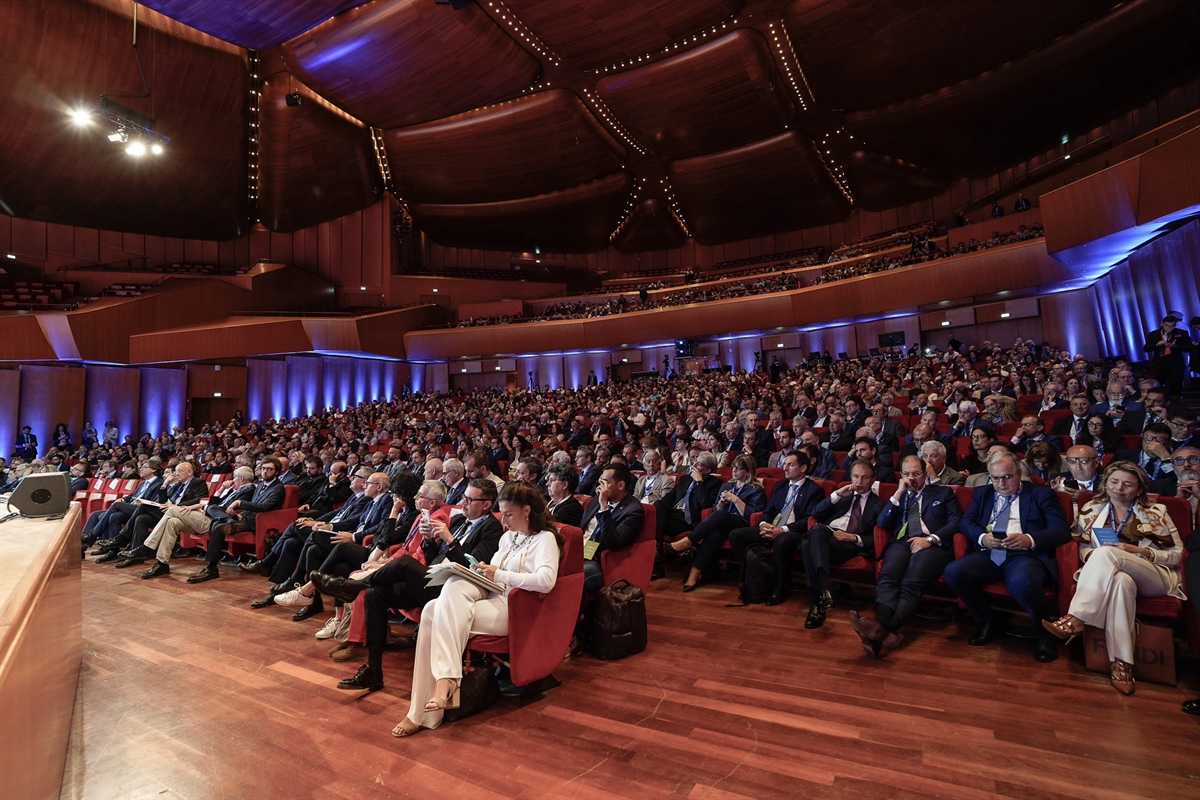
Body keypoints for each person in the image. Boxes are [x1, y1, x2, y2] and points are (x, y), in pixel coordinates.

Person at [389, 481, 561, 738]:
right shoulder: (507, 537)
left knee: (439, 610)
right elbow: (492, 577)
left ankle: (442, 687)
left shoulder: (544, 538)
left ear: (527, 510)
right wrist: (480, 572)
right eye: (502, 513)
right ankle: (429, 701)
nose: (504, 519)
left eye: (510, 514)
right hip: (491, 596)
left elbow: (547, 582)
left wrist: (500, 573)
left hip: (513, 609)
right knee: (433, 608)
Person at [315, 478, 503, 669]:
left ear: (487, 504)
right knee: (375, 593)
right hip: (430, 578)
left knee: (404, 563)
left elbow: (472, 568)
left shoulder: (491, 528)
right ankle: (372, 669)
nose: (462, 503)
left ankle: (351, 586)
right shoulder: (459, 520)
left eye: (469, 500)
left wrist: (450, 540)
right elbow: (432, 558)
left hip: (451, 588)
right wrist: (429, 541)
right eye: (463, 497)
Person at [1041, 462, 1185, 694]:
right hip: (1113, 575)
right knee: (1121, 582)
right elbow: (1082, 547)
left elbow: (1178, 556)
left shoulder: (1157, 512)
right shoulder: (1091, 509)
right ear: (1105, 484)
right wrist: (1094, 555)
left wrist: (1140, 552)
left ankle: (1076, 618)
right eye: (1114, 482)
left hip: (1154, 574)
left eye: (1128, 484)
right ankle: (1122, 665)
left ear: (1139, 489)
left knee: (1108, 552)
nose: (1119, 488)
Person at [945, 451, 1070, 662]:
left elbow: (1061, 530)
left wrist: (1028, 539)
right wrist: (983, 538)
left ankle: (1044, 633)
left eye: (1007, 477)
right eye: (995, 478)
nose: (1001, 483)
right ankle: (987, 621)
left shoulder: (1041, 494)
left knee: (1023, 582)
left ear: (1018, 474)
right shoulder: (982, 493)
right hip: (990, 552)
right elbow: (967, 523)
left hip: (1024, 554)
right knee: (954, 572)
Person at [849, 455, 962, 658]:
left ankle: (880, 630)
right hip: (902, 542)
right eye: (907, 474)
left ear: (925, 474)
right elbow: (883, 523)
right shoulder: (899, 496)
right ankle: (882, 632)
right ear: (901, 476)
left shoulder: (943, 493)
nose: (912, 478)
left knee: (910, 583)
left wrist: (931, 540)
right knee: (888, 577)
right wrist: (899, 492)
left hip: (933, 546)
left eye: (916, 474)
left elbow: (956, 522)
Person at [123, 466, 257, 578]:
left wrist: (201, 506)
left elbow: (226, 510)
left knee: (172, 511)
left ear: (241, 478)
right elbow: (213, 503)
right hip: (205, 515)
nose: (232, 480)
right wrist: (222, 489)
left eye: (234, 477)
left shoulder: (249, 490)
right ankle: (161, 564)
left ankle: (147, 547)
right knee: (172, 522)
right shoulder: (233, 490)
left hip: (214, 521)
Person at [728, 451, 824, 605]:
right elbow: (769, 510)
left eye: (790, 465)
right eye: (784, 464)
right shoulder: (780, 486)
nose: (784, 468)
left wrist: (783, 529)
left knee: (782, 541)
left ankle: (781, 588)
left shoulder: (814, 490)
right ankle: (756, 578)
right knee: (736, 535)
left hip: (793, 531)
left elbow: (808, 519)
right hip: (772, 526)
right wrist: (764, 524)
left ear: (803, 467)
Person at [801, 459, 883, 627]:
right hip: (827, 536)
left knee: (807, 544)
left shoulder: (879, 504)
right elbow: (815, 513)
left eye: (864, 477)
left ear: (873, 479)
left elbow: (879, 537)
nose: (859, 482)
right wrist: (837, 495)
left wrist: (854, 538)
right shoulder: (843, 497)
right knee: (817, 531)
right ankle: (822, 595)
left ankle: (817, 602)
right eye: (855, 477)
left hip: (849, 544)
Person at [668, 454, 766, 591]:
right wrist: (721, 503)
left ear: (748, 472)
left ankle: (688, 541)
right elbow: (715, 509)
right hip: (722, 522)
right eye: (734, 467)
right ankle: (694, 574)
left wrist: (735, 500)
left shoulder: (756, 489)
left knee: (721, 516)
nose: (734, 471)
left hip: (742, 524)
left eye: (738, 469)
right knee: (715, 534)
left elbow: (751, 515)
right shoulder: (727, 485)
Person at [187, 457, 286, 583]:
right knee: (216, 520)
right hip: (245, 518)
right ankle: (211, 566)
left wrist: (240, 503)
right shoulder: (260, 485)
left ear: (276, 472)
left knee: (216, 520)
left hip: (258, 522)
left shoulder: (278, 487)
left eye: (270, 469)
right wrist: (241, 515)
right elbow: (254, 503)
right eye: (263, 468)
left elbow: (264, 507)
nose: (265, 471)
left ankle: (211, 568)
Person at [651, 451, 722, 579]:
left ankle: (657, 560)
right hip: (674, 515)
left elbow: (707, 503)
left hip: (689, 519)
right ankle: (658, 552)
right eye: (694, 460)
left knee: (655, 523)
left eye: (698, 464)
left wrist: (699, 482)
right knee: (658, 506)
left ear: (707, 470)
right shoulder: (685, 479)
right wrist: (656, 508)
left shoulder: (714, 483)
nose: (693, 465)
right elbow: (670, 498)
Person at [577, 464, 645, 594]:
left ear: (620, 486)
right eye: (600, 480)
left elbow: (612, 542)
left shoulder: (634, 510)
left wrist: (604, 508)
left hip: (598, 560)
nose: (600, 485)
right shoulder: (595, 500)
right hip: (580, 551)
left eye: (605, 482)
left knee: (576, 577)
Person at [1143, 314, 1191, 397]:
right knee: (1157, 387)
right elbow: (1146, 348)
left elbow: (1189, 348)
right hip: (1158, 365)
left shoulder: (1182, 333)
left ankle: (1176, 406)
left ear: (1175, 325)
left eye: (1172, 326)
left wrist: (1176, 346)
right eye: (1167, 325)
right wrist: (1156, 345)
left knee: (1175, 389)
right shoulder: (1153, 334)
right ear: (1161, 323)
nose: (1169, 328)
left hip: (1175, 365)